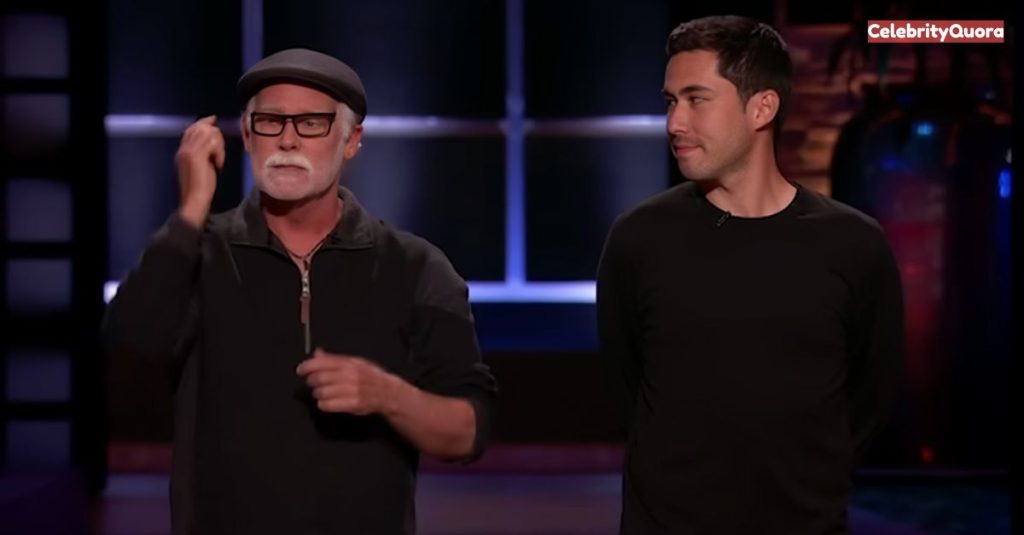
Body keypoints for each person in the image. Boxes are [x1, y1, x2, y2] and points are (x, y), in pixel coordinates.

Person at [104, 47, 497, 535]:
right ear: (248, 136)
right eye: (271, 121)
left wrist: (388, 394)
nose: (288, 140)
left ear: (351, 141)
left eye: (312, 123)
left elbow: (467, 431)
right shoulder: (197, 254)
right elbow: (128, 346)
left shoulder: (415, 266)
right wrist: (191, 210)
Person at [596, 15, 904, 535]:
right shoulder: (640, 238)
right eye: (671, 101)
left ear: (762, 107)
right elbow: (625, 385)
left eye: (696, 99)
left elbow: (870, 396)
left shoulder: (853, 244)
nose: (674, 123)